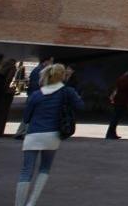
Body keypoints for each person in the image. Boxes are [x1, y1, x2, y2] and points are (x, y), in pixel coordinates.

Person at [15, 63, 83, 206]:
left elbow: (26, 118)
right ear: (63, 76)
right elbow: (80, 106)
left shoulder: (37, 94)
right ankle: (31, 203)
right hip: (52, 135)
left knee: (26, 171)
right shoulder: (67, 91)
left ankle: (19, 204)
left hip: (33, 135)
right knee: (44, 168)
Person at [105, 67, 128, 140]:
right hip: (123, 101)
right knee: (116, 118)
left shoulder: (121, 78)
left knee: (115, 117)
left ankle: (111, 133)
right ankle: (110, 134)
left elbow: (116, 88)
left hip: (118, 99)